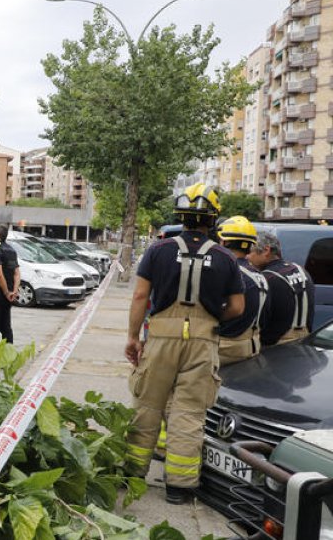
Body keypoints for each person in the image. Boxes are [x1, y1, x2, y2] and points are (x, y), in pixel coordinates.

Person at [125, 183, 244, 505]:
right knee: (189, 412)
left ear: (180, 215)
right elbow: (237, 307)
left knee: (148, 406)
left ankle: (132, 473)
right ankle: (179, 486)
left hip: (161, 338)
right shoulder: (225, 257)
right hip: (202, 342)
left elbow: (140, 296)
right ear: (213, 218)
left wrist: (133, 337)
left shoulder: (158, 250)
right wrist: (211, 319)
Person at [215, 216, 269, 365]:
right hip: (252, 348)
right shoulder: (260, 276)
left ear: (224, 242)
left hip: (224, 351)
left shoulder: (224, 273)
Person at [249, 229, 315, 346]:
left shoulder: (267, 279)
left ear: (266, 251)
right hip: (304, 340)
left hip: (277, 346)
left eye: (250, 252)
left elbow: (259, 320)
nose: (247, 257)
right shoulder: (300, 270)